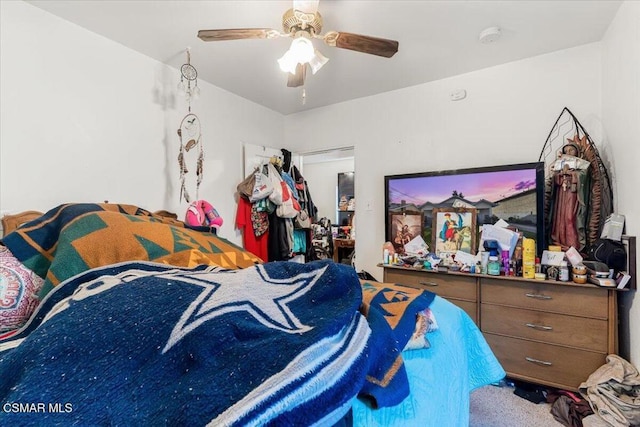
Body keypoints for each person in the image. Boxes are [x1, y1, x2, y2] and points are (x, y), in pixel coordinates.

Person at [549, 142, 590, 251]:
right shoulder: (560, 165)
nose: (568, 153)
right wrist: (561, 174)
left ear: (577, 152)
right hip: (561, 196)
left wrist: (571, 174)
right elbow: (555, 180)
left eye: (571, 150)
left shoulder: (580, 165)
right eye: (566, 151)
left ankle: (573, 246)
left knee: (570, 218)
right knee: (559, 219)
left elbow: (583, 178)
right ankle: (559, 242)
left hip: (573, 195)